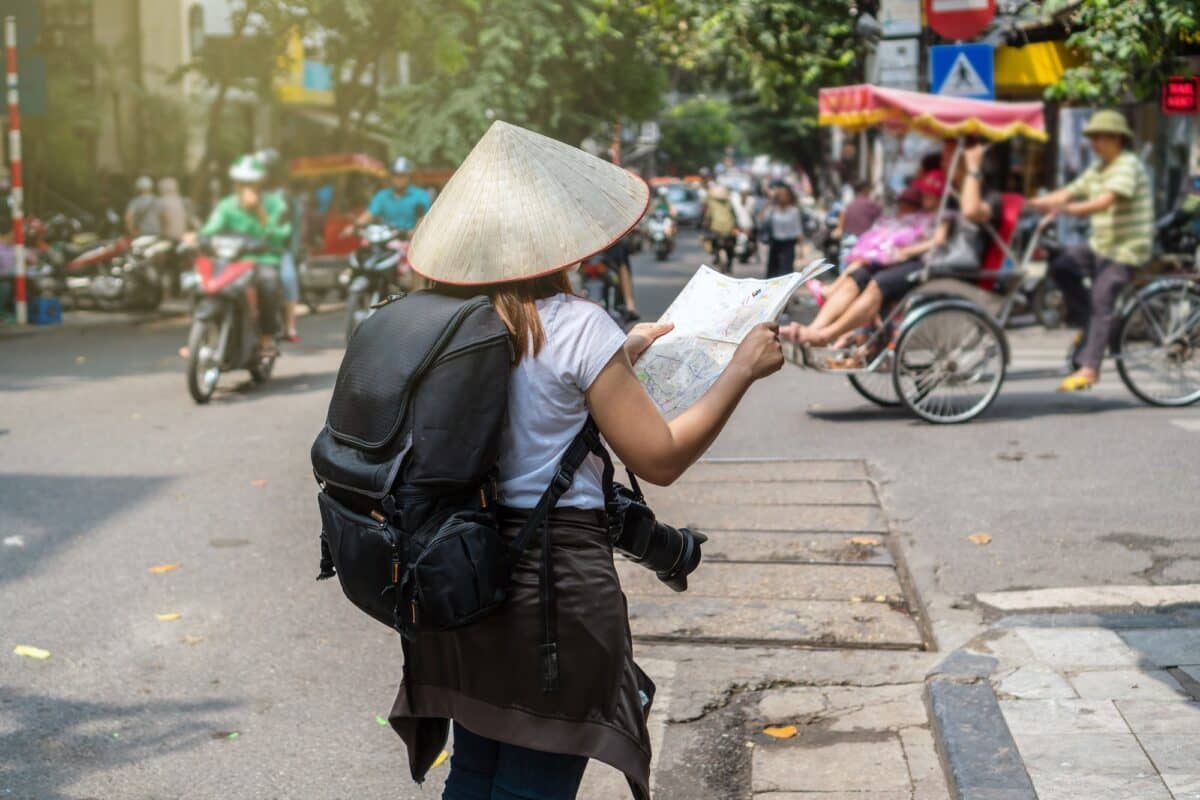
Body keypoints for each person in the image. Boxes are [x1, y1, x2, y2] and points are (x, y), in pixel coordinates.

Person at [390, 120, 785, 800]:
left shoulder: (451, 323)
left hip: (462, 576)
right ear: (561, 237)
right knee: (535, 780)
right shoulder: (575, 324)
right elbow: (658, 460)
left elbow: (526, 396)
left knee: (479, 769)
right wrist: (741, 370)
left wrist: (618, 357)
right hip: (551, 589)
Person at [783, 141, 999, 354]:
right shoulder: (945, 192)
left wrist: (972, 167)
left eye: (950, 158)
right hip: (919, 258)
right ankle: (815, 328)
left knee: (879, 283)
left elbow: (970, 211)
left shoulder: (988, 197)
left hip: (945, 265)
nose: (944, 163)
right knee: (859, 273)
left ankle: (827, 335)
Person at [1028, 110, 1152, 392]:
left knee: (1101, 299)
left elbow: (1105, 201)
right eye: (1092, 137)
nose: (1093, 143)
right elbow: (1069, 191)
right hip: (1101, 244)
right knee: (1061, 264)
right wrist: (1030, 204)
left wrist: (1066, 210)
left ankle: (1089, 368)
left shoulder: (1127, 165)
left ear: (1116, 138)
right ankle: (1090, 323)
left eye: (1098, 137)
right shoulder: (1098, 167)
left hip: (1126, 248)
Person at [198, 155, 291, 356]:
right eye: (242, 182)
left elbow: (280, 234)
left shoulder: (275, 204)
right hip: (230, 261)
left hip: (263, 259)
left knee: (268, 282)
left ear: (260, 183)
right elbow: (210, 230)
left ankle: (267, 338)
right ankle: (200, 337)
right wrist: (200, 239)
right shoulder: (226, 205)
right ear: (235, 183)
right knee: (200, 284)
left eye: (251, 182)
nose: (246, 186)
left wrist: (259, 210)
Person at [256, 148, 301, 342]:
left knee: (288, 278)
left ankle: (290, 326)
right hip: (247, 250)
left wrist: (292, 251)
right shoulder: (250, 194)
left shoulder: (285, 197)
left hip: (278, 249)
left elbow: (294, 226)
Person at [350, 156, 430, 236]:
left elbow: (424, 219)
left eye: (402, 175)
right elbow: (369, 214)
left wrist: (415, 232)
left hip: (410, 240)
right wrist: (353, 227)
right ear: (391, 176)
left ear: (409, 176)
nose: (399, 179)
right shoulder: (382, 195)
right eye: (396, 175)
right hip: (386, 238)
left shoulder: (420, 195)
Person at [759, 183, 803, 278]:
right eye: (780, 195)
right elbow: (761, 220)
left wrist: (800, 247)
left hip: (789, 243)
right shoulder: (772, 210)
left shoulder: (794, 211)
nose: (783, 198)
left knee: (786, 270)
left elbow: (798, 229)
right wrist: (769, 202)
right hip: (775, 242)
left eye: (785, 195)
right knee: (772, 270)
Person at [703, 184, 737, 271]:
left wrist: (705, 225)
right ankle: (729, 264)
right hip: (728, 229)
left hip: (716, 229)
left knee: (711, 241)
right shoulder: (729, 203)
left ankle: (716, 256)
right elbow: (734, 216)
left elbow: (707, 217)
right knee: (731, 246)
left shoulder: (712, 204)